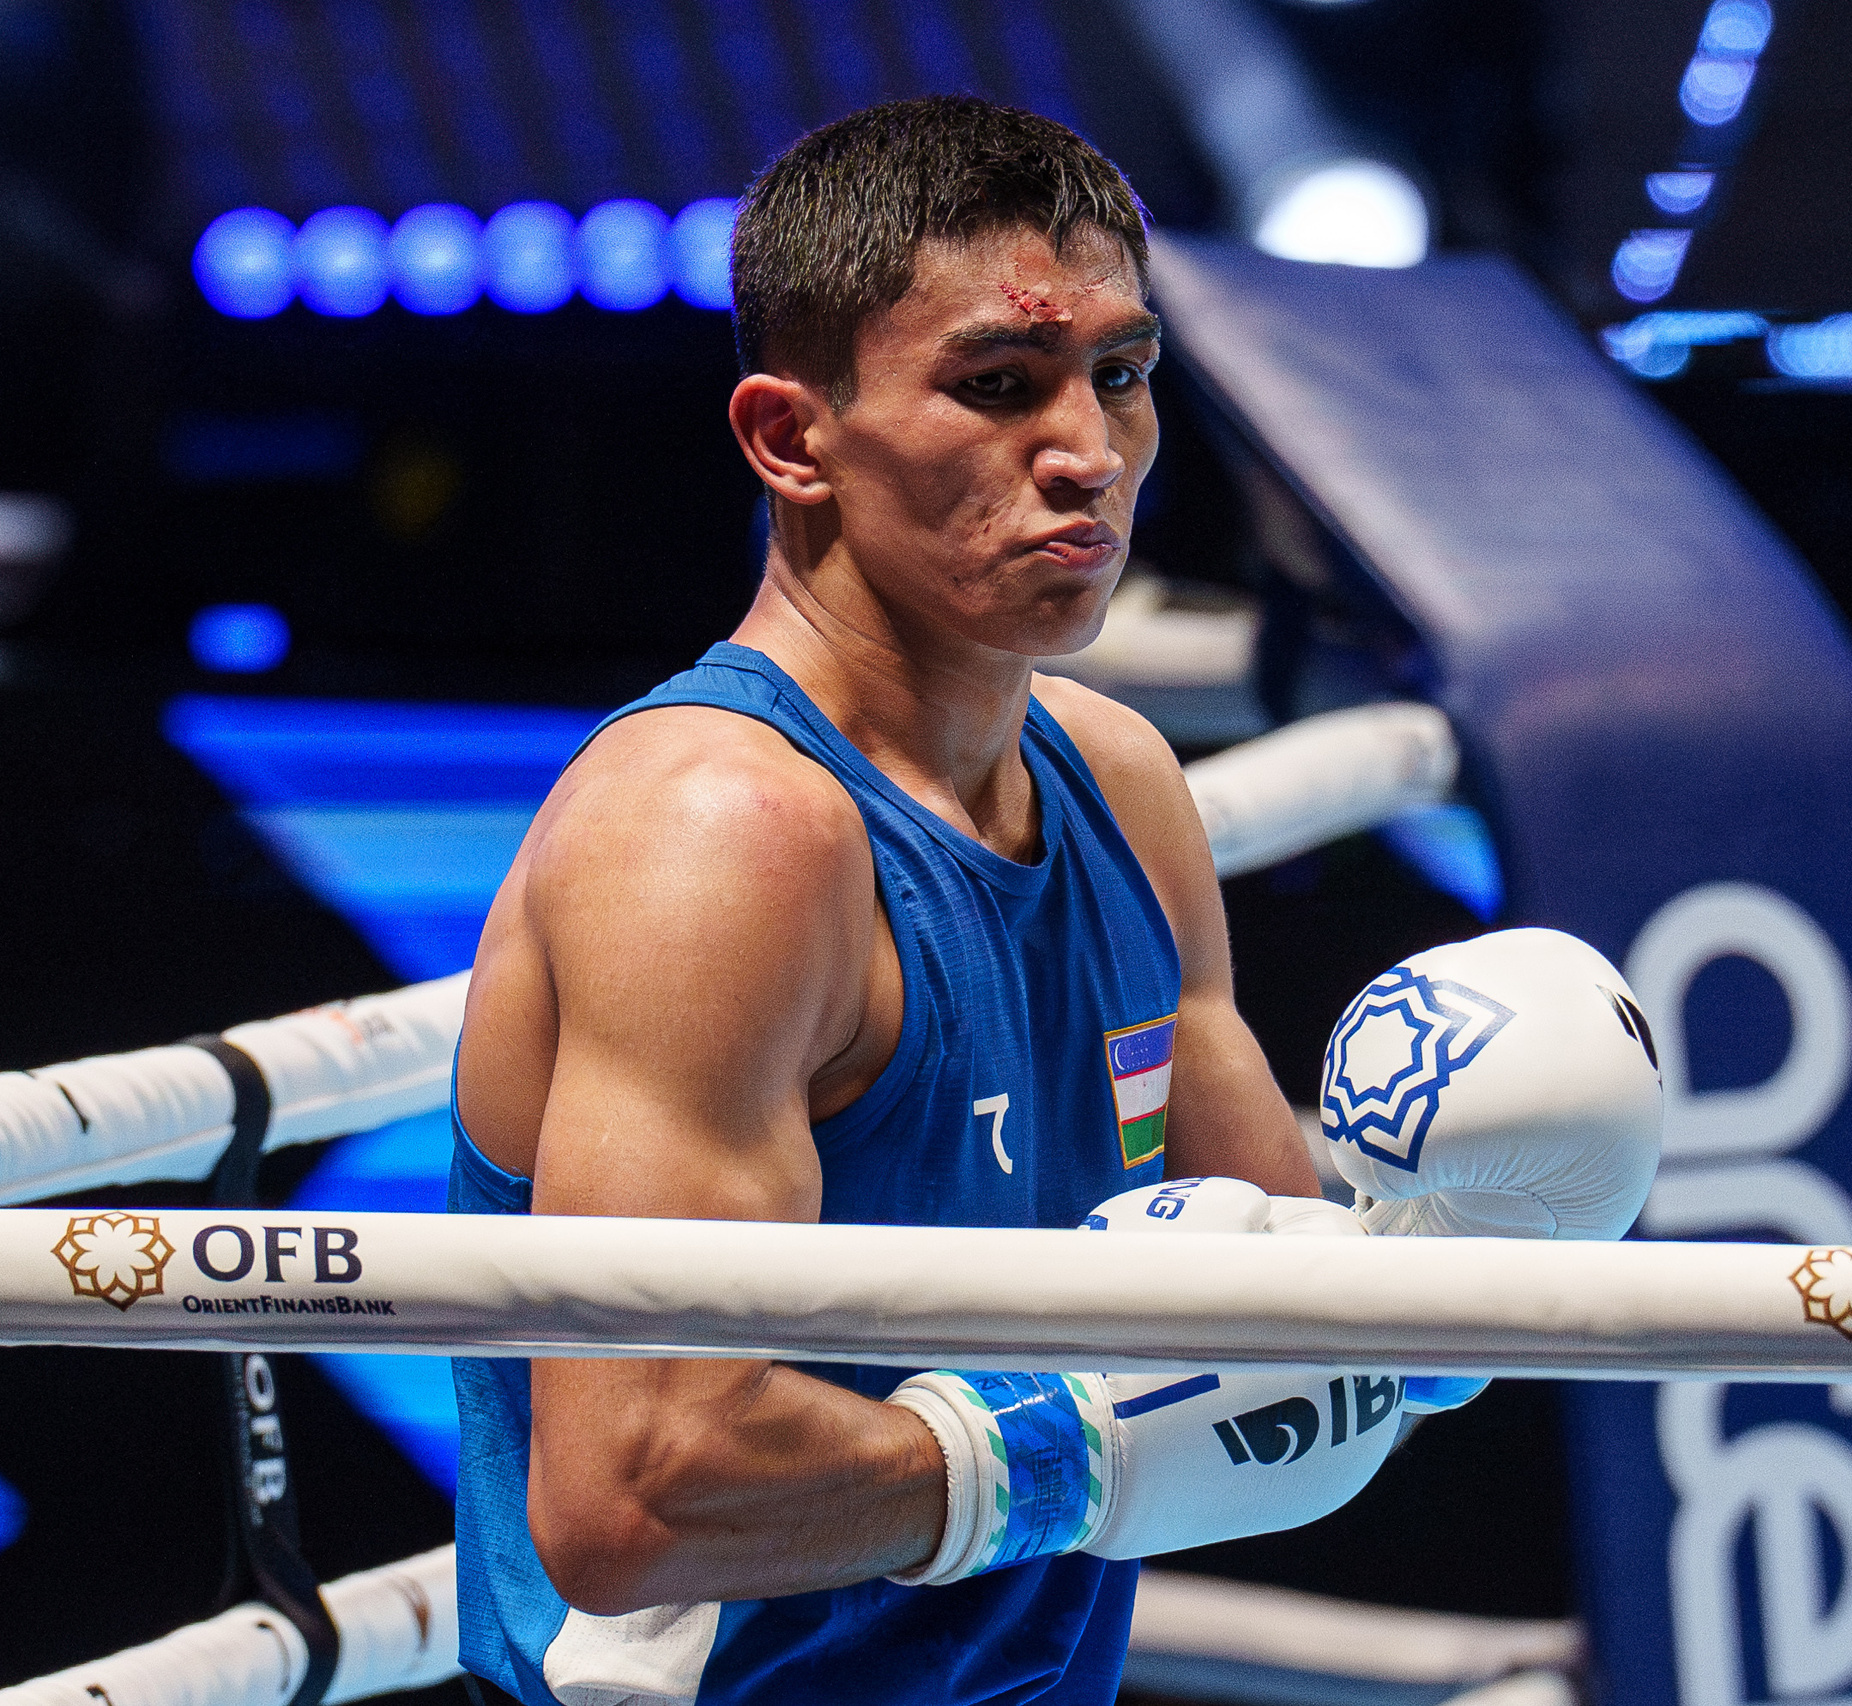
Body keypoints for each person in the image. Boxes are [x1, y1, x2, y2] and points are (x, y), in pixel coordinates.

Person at [449, 96, 1323, 1706]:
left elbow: (1314, 1310)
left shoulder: (1119, 784)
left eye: (1121, 376)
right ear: (793, 439)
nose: (1086, 450)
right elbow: (635, 1488)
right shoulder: (722, 832)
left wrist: (1492, 1212)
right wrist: (1064, 1462)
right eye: (999, 386)